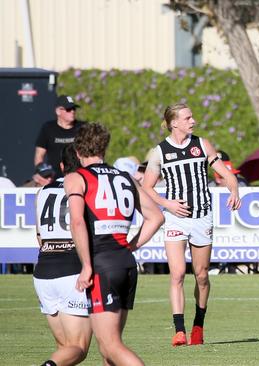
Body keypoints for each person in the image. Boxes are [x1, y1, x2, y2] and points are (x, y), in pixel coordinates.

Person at [64, 122, 164, 365]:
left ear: (78, 152)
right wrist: (130, 246)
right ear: (105, 149)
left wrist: (86, 266)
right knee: (110, 349)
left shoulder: (76, 178)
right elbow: (157, 217)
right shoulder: (125, 177)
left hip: (102, 265)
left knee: (111, 346)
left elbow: (77, 222)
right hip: (126, 263)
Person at [142, 103, 241, 347]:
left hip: (202, 217)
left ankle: (198, 324)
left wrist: (234, 190)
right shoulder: (159, 152)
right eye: (187, 118)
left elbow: (226, 174)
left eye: (192, 117)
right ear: (174, 123)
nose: (193, 121)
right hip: (176, 219)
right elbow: (146, 186)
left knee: (202, 275)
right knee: (176, 273)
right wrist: (167, 204)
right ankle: (179, 330)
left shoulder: (202, 144)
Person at [34, 144, 91, 366]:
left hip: (43, 272)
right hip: (71, 271)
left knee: (64, 350)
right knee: (78, 347)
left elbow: (39, 235)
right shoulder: (85, 188)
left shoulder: (43, 191)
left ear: (61, 166)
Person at [34, 95, 85, 186]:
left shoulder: (82, 127)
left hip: (79, 177)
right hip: (53, 178)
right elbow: (39, 155)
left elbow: (90, 152)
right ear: (58, 111)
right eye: (68, 109)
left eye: (74, 108)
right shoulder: (48, 128)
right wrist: (43, 175)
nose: (72, 112)